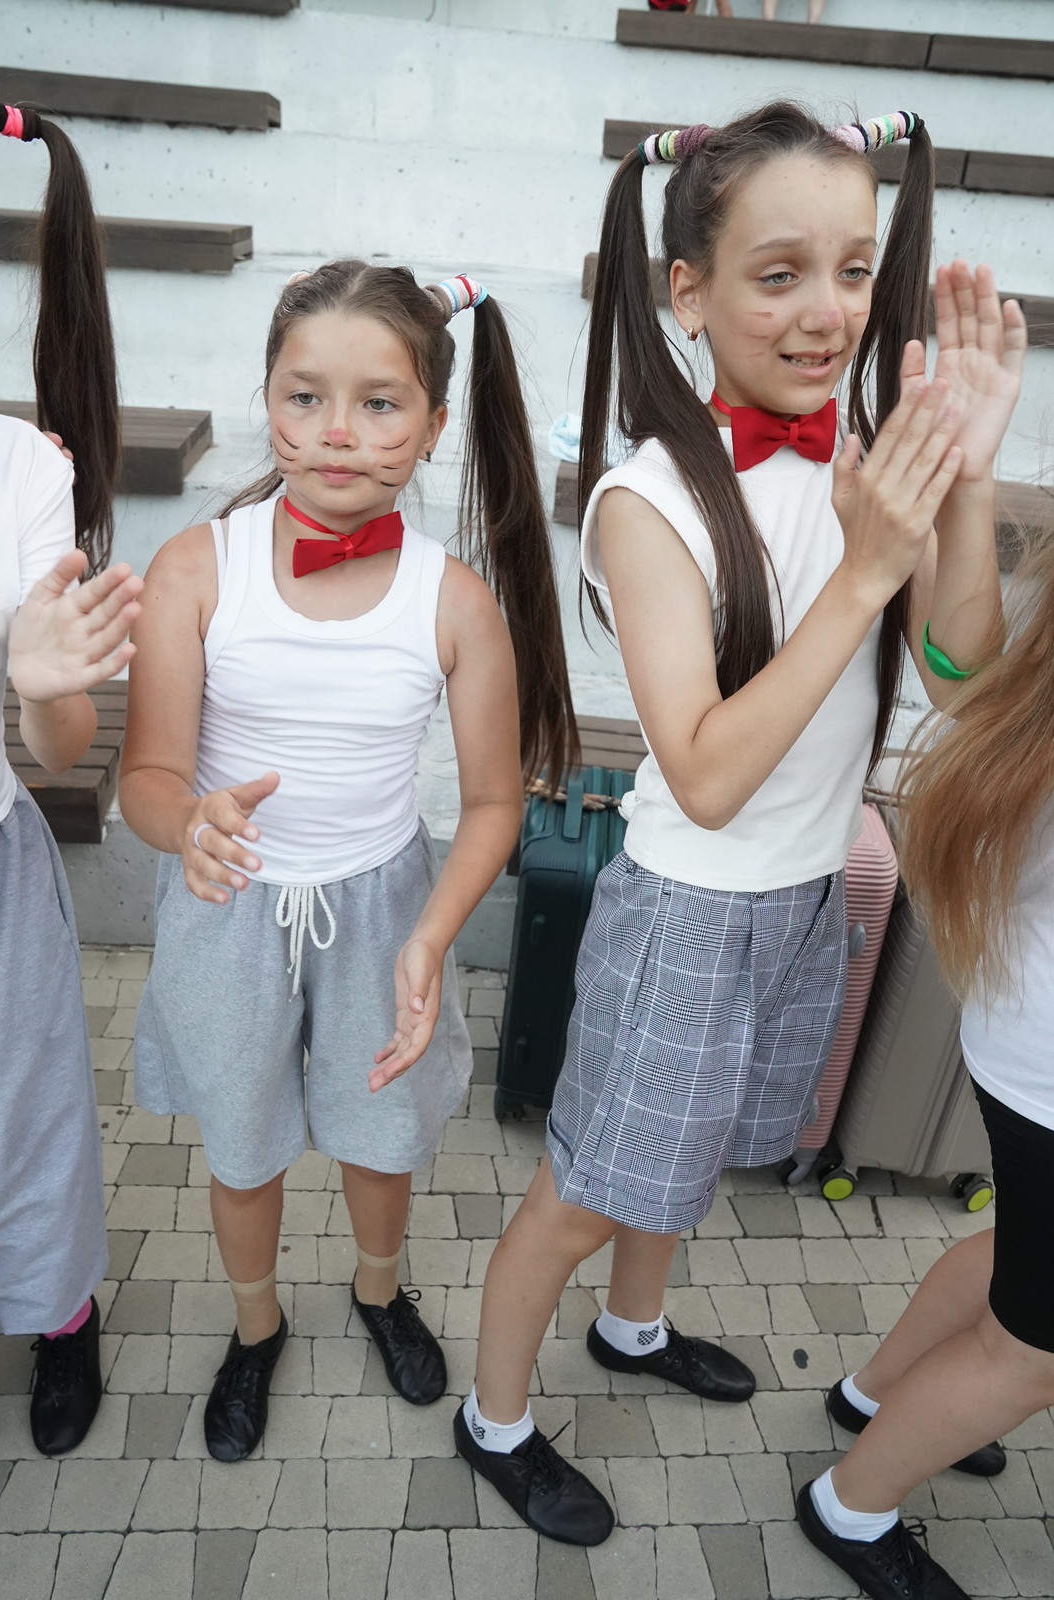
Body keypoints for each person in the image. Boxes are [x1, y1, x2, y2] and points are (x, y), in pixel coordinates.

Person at [456, 100, 1022, 1549]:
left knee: (694, 1156)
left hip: (807, 892)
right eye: (777, 274)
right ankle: (492, 1420)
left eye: (852, 268)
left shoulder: (862, 460)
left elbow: (960, 679)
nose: (827, 311)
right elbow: (704, 774)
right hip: (686, 913)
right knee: (585, 1190)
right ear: (687, 292)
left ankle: (631, 1332)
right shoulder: (646, 501)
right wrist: (862, 569)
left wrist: (959, 483)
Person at [119, 261, 577, 1462]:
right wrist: (188, 822)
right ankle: (255, 1325)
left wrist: (430, 935)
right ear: (267, 398)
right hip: (228, 903)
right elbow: (148, 774)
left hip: (384, 907)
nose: (336, 432)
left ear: (431, 422)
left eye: (378, 403)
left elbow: (492, 802)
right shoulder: (197, 567)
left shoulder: (454, 601)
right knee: (242, 1142)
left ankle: (379, 1288)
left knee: (382, 1133)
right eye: (304, 396)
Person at [798, 414, 1044, 1597]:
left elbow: (963, 680)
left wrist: (966, 486)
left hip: (1022, 1031)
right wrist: (956, 494)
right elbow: (958, 674)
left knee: (1013, 1265)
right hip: (1040, 1054)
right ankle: (850, 1506)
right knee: (1033, 1350)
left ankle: (875, 1394)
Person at [0, 98, 143, 1454]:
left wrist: (42, 685)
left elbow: (61, 748)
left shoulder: (19, 469)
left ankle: (59, 1314)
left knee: (23, 1116)